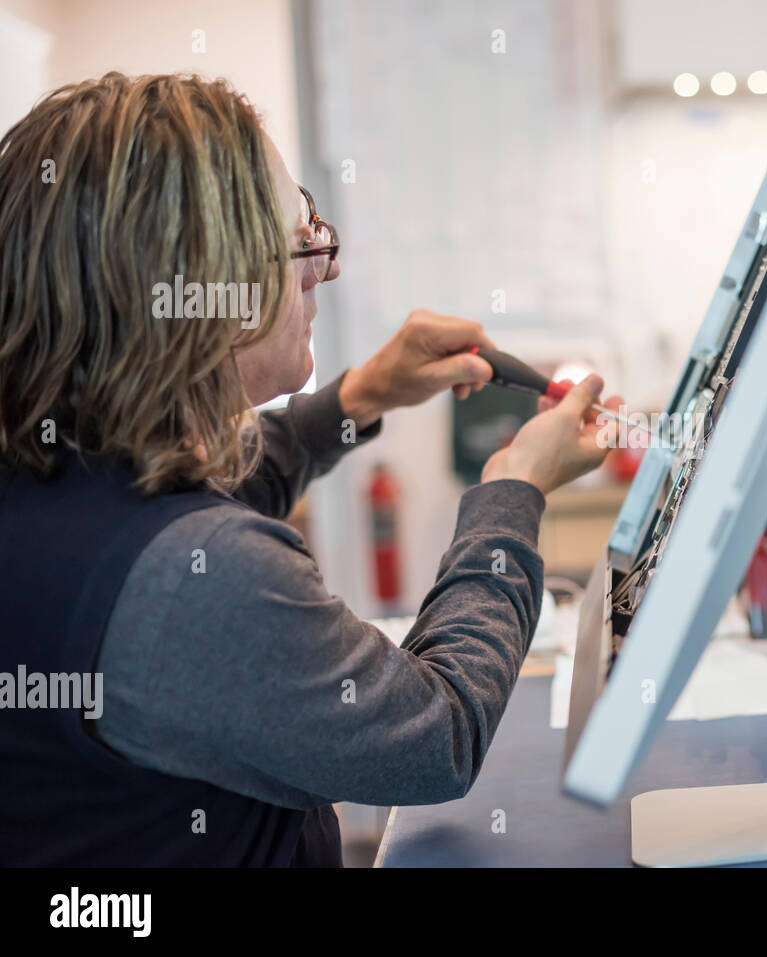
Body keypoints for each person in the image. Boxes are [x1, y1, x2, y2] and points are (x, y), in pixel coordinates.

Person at [0, 73, 619, 865]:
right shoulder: (201, 581)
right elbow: (437, 734)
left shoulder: (54, 477)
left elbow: (209, 499)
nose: (321, 269)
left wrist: (363, 395)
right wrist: (514, 492)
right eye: (299, 238)